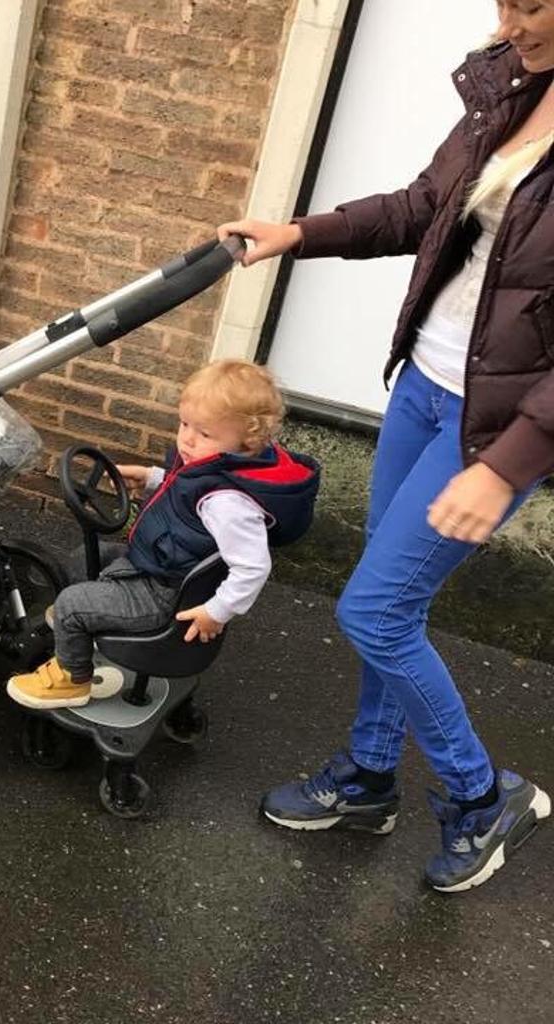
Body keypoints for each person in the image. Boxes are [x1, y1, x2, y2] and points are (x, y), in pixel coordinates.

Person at [216, 1, 554, 893]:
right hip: (420, 392)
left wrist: (508, 464)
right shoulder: (513, 86)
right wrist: (299, 232)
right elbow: (422, 209)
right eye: (505, 0)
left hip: (489, 428)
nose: (512, 21)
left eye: (537, 5)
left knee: (373, 610)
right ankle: (369, 778)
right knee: (389, 602)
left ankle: (484, 798)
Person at [6, 359, 318, 710]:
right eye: (185, 423)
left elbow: (253, 567)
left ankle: (71, 678)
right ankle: (79, 624)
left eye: (204, 433)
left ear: (247, 439)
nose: (187, 437)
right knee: (90, 556)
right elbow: (185, 487)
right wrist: (151, 476)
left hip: (164, 595)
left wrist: (217, 611)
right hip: (162, 566)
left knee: (69, 604)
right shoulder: (220, 464)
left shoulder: (228, 504)